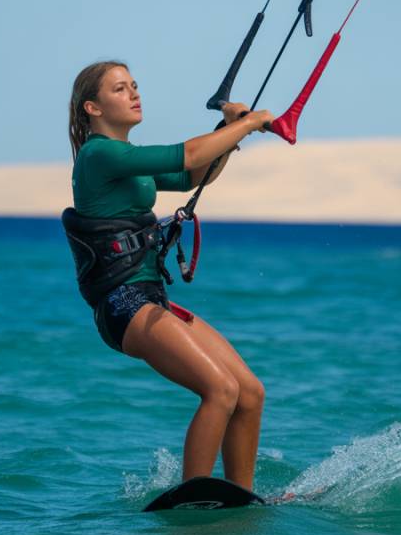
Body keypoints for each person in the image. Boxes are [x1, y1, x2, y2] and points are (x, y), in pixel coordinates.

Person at [65, 60, 272, 491]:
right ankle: (193, 496)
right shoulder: (99, 154)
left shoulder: (125, 160)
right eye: (120, 89)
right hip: (122, 304)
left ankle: (242, 496)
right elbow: (192, 153)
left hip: (150, 297)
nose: (134, 94)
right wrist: (249, 124)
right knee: (220, 389)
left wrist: (227, 134)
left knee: (249, 393)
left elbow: (195, 173)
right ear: (93, 108)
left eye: (135, 85)